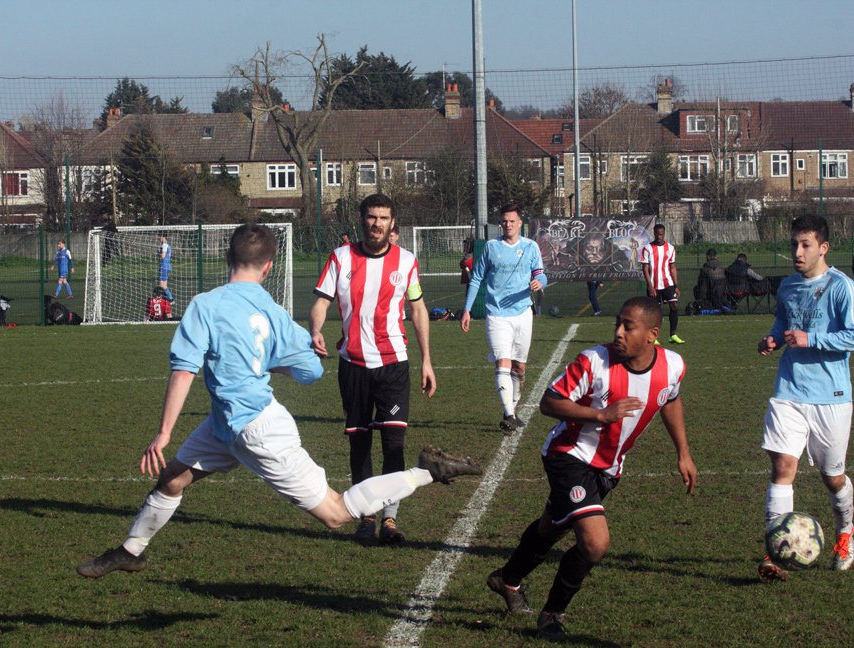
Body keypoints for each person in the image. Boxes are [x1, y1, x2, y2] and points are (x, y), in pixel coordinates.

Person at [76, 223, 481, 579]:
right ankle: (130, 551)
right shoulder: (274, 313)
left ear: (227, 258)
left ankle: (427, 471)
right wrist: (276, 361)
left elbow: (184, 370)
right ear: (269, 267)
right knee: (172, 479)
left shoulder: (205, 305)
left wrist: (164, 433)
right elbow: (311, 371)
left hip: (257, 429)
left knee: (336, 513)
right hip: (224, 423)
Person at [485, 296, 696, 640]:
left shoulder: (673, 366)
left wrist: (683, 453)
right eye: (617, 323)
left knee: (551, 528)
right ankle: (551, 616)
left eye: (628, 326)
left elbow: (670, 399)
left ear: (652, 334)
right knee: (595, 542)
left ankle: (506, 580)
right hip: (569, 455)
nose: (618, 332)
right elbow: (549, 402)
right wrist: (600, 414)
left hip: (608, 468)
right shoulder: (594, 362)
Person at [309, 193, 437, 546]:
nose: (376, 224)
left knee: (394, 444)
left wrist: (427, 360)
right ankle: (366, 516)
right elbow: (321, 301)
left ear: (392, 223)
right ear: (361, 220)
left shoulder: (406, 261)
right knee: (360, 444)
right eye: (371, 217)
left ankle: (390, 518)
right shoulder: (341, 257)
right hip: (353, 367)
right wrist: (316, 329)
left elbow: (418, 310)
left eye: (383, 218)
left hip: (393, 365)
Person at [757, 214, 854, 579]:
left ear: (823, 248)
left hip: (831, 396)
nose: (797, 252)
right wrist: (773, 338)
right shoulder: (787, 287)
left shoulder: (842, 287)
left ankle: (846, 533)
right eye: (794, 244)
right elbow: (783, 323)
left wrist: (811, 339)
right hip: (789, 390)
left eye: (805, 245)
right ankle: (775, 551)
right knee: (783, 467)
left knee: (833, 478)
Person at [460, 203, 548, 434]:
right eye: (504, 221)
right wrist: (467, 310)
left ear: (520, 223)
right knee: (503, 362)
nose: (508, 224)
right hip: (497, 314)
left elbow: (541, 274)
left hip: (523, 313)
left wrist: (539, 282)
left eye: (512, 221)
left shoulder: (530, 247)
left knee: (519, 367)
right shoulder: (491, 247)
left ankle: (512, 410)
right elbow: (476, 278)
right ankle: (508, 414)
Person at [641, 224, 683, 344]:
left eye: (661, 234)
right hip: (654, 285)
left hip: (667, 283)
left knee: (674, 306)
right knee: (655, 311)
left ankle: (673, 335)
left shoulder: (670, 248)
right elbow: (645, 269)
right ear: (654, 234)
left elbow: (672, 267)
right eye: (657, 234)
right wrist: (650, 286)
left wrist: (676, 286)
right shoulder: (647, 248)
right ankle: (653, 337)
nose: (659, 237)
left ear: (664, 234)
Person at [158, 233, 174, 302]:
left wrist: (159, 254)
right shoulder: (167, 245)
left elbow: (163, 256)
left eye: (159, 236)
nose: (158, 238)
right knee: (164, 284)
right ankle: (165, 300)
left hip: (164, 266)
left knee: (161, 285)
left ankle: (171, 299)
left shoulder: (164, 245)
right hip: (167, 266)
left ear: (163, 237)